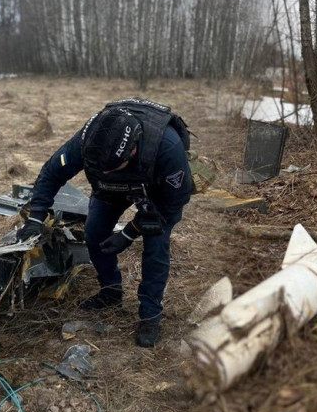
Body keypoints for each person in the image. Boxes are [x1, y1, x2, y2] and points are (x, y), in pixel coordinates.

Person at [17, 98, 192, 347]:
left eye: (111, 167)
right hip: (109, 190)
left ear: (132, 151)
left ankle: (150, 315)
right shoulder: (87, 140)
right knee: (94, 232)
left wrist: (130, 232)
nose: (105, 170)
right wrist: (36, 218)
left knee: (155, 244)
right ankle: (110, 290)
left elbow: (173, 202)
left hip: (155, 190)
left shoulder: (167, 147)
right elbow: (51, 173)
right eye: (100, 167)